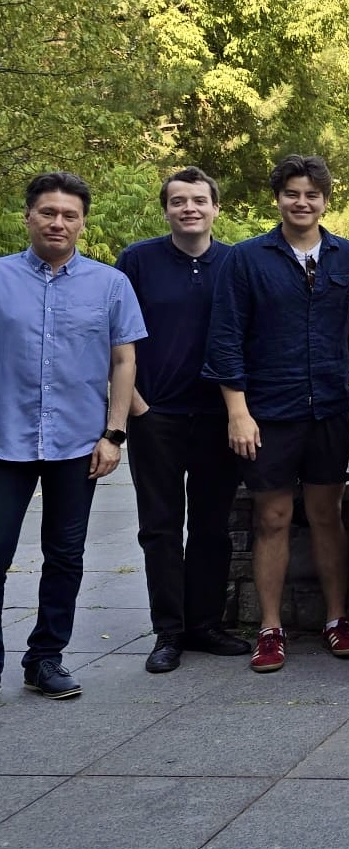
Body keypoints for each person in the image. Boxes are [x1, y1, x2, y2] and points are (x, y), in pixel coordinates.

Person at [204, 154, 349, 673]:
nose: (302, 202)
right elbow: (225, 339)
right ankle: (269, 628)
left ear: (325, 199)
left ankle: (337, 619)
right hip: (268, 411)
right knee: (271, 518)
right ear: (278, 199)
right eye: (293, 193)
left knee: (326, 515)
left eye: (312, 194)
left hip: (332, 410)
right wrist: (237, 412)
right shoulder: (247, 258)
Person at [0, 172, 145, 699]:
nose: (58, 222)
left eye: (69, 215)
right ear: (29, 216)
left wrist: (115, 433)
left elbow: (124, 360)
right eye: (48, 212)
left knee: (65, 554)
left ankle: (45, 658)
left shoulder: (110, 284)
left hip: (78, 443)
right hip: (5, 440)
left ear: (82, 222)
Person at [115, 167, 248, 674]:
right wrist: (136, 406)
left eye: (199, 200)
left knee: (213, 527)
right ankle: (168, 631)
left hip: (220, 415)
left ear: (216, 207)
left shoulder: (237, 262)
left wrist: (241, 408)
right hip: (157, 415)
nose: (189, 208)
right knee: (161, 527)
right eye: (178, 201)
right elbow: (118, 336)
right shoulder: (138, 261)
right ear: (166, 209)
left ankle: (205, 625)